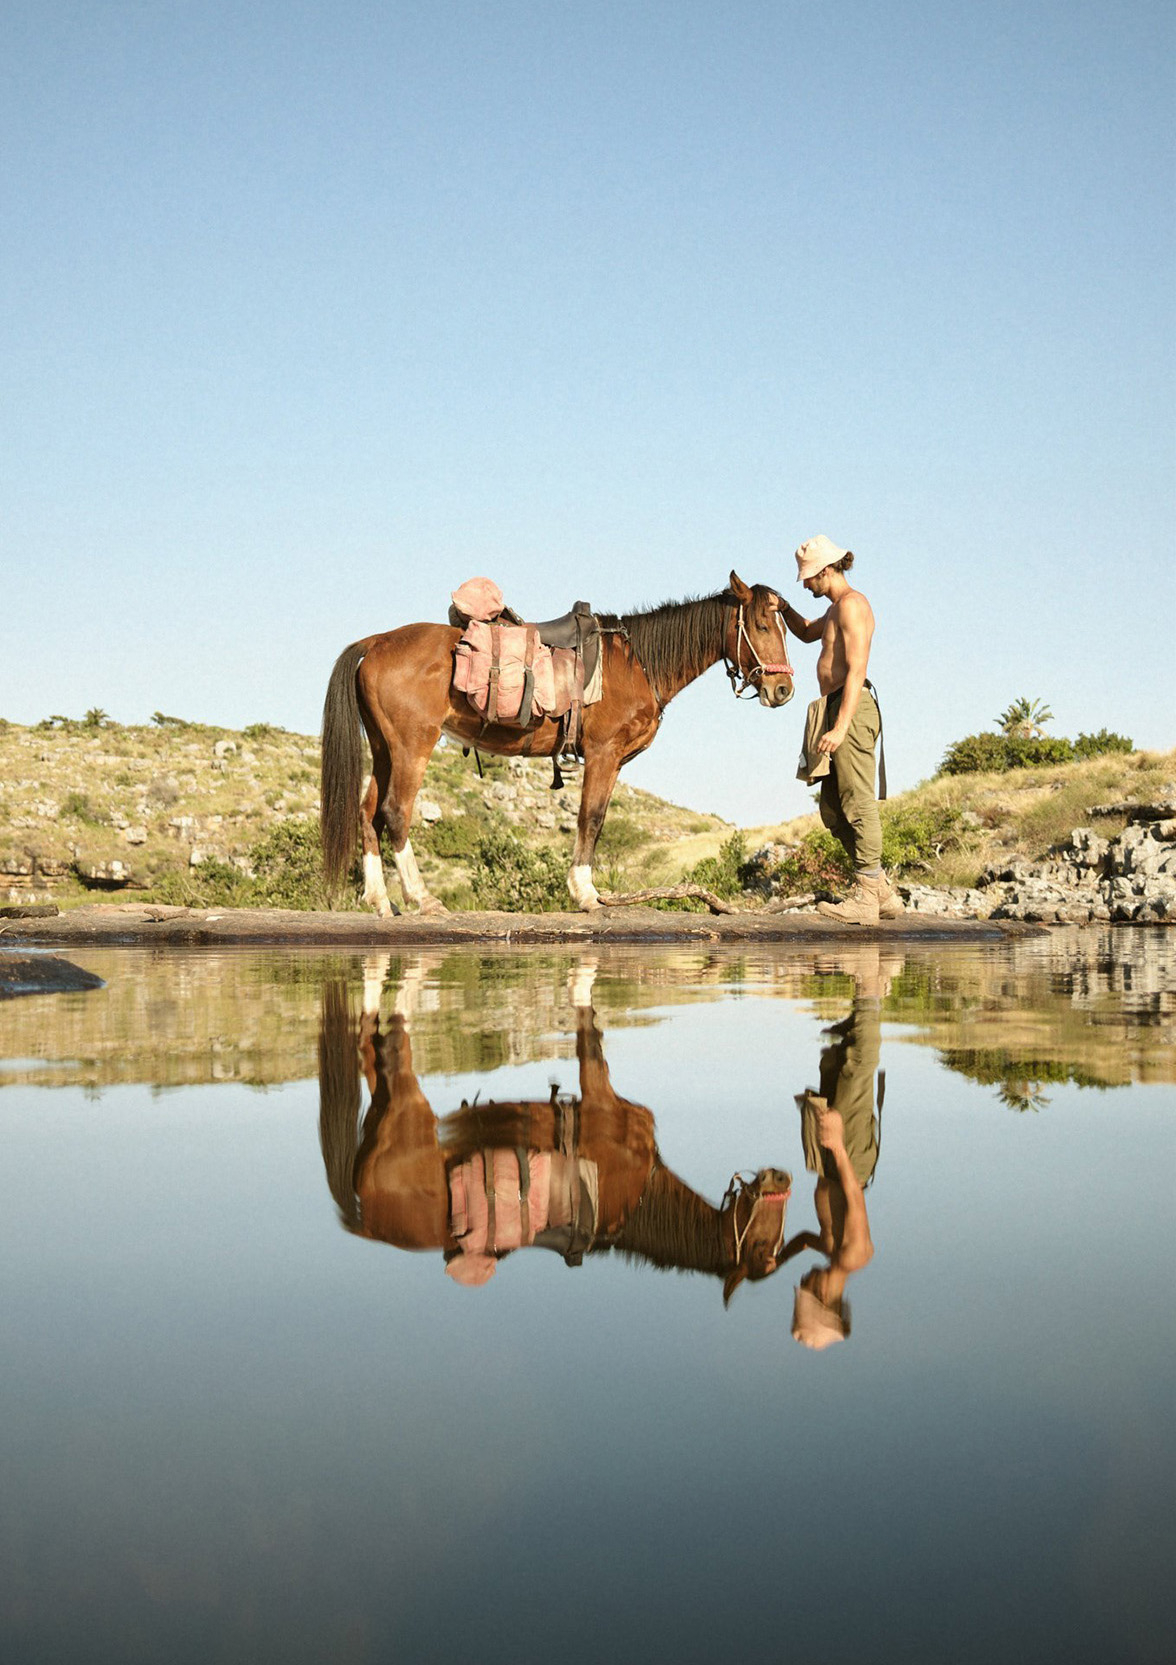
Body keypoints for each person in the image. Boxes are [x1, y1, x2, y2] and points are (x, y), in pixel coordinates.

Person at [779, 534, 903, 924]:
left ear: (826, 571)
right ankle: (881, 892)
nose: (805, 585)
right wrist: (781, 607)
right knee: (832, 810)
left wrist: (841, 726)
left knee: (857, 800)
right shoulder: (834, 610)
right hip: (832, 708)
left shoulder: (852, 606)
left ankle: (866, 897)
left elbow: (857, 670)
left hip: (851, 706)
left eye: (808, 579)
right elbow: (804, 631)